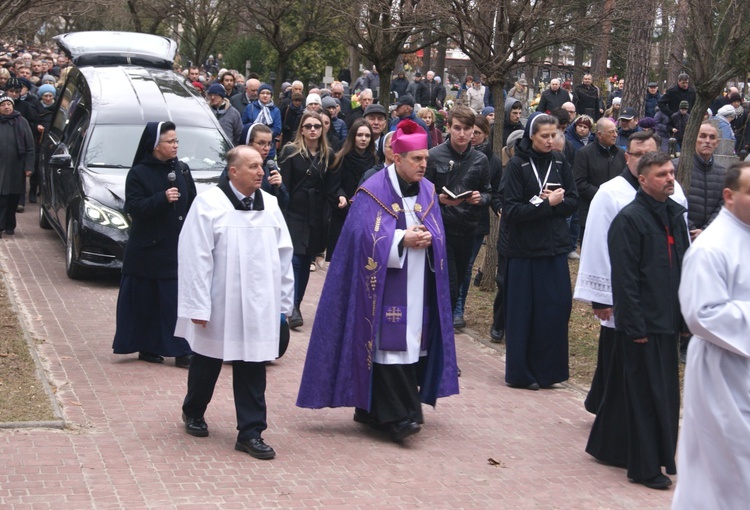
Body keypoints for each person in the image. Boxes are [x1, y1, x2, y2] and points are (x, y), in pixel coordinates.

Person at [296, 119, 459, 442]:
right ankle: (399, 416)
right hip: (382, 289)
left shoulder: (428, 190)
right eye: (417, 159)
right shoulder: (373, 189)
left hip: (418, 284)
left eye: (426, 158)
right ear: (396, 158)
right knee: (389, 347)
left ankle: (370, 409)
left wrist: (430, 239)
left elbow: (438, 231)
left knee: (412, 345)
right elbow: (359, 239)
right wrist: (400, 240)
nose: (424, 165)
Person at [177, 145, 294, 460]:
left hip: (259, 305)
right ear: (233, 172)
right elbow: (194, 257)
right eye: (253, 166)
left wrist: (284, 304)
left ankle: (251, 432)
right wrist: (197, 306)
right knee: (207, 360)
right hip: (220, 302)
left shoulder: (269, 205)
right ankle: (194, 410)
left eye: (261, 166)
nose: (261, 172)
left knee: (253, 365)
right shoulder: (208, 205)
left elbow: (284, 256)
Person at [588, 151, 689, 490]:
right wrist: (635, 326)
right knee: (646, 397)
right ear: (643, 180)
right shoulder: (629, 219)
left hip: (669, 321)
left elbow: (682, 270)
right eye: (661, 174)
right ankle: (644, 467)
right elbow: (626, 279)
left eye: (672, 172)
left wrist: (685, 316)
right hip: (643, 325)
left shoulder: (674, 215)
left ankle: (639, 452)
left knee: (665, 396)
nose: (670, 178)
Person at [574, 131, 686, 414]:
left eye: (650, 154)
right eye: (638, 155)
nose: (644, 160)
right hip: (624, 294)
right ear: (628, 157)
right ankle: (610, 410)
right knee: (616, 356)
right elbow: (596, 242)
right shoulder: (610, 192)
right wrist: (601, 297)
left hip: (660, 298)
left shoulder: (674, 189)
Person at [672, 161, 750, 509]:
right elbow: (701, 313)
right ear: (729, 196)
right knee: (722, 465)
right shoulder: (711, 247)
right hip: (722, 371)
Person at [501, 112, 578, 389]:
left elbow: (573, 201)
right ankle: (522, 373)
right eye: (544, 135)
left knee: (555, 310)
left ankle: (549, 372)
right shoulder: (518, 165)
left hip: (554, 248)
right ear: (531, 136)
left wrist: (558, 203)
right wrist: (545, 205)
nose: (550, 140)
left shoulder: (560, 161)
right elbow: (510, 210)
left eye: (554, 135)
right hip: (524, 251)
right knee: (525, 313)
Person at [112, 121, 196, 367]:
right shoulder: (138, 173)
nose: (175, 146)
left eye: (176, 141)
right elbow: (134, 208)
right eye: (170, 141)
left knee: (173, 301)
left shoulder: (182, 170)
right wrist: (162, 198)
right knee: (145, 302)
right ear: (154, 146)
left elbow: (192, 204)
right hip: (147, 250)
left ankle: (182, 350)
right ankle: (147, 346)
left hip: (175, 248)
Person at [425, 106, 492, 326]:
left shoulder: (480, 159)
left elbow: (489, 192)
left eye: (466, 129)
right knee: (449, 284)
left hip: (468, 228)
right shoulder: (434, 156)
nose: (461, 134)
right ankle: (439, 328)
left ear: (474, 130)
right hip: (441, 228)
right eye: (457, 128)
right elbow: (421, 193)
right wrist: (439, 199)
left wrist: (479, 198)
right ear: (449, 128)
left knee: (461, 279)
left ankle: (440, 327)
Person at [278, 111, 333, 329]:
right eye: (308, 126)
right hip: (294, 210)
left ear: (322, 130)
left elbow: (328, 186)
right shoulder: (290, 152)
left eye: (317, 126)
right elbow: (285, 185)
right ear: (301, 129)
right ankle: (292, 305)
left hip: (316, 213)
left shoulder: (327, 154)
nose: (312, 129)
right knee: (295, 260)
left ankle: (297, 303)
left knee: (307, 258)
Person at [453, 114, 503, 329]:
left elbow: (494, 192)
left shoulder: (491, 161)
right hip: (450, 218)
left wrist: (491, 203)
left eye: (477, 133)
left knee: (465, 267)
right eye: (469, 131)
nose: (471, 136)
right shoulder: (451, 154)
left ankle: (458, 308)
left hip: (475, 221)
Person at [327, 119, 377, 258]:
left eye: (367, 136)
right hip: (343, 214)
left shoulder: (374, 160)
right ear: (352, 136)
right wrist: (341, 196)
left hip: (366, 217)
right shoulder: (341, 158)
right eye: (359, 135)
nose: (363, 139)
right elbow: (333, 187)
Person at [573, 117, 626, 238]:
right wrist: (603, 195)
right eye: (611, 132)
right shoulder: (584, 153)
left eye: (616, 131)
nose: (615, 135)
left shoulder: (620, 154)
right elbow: (579, 182)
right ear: (599, 134)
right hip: (591, 210)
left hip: (616, 210)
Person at [0, 94, 34, 238]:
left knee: (13, 197)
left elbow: (30, 147)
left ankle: (9, 225)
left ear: (13, 106)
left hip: (16, 166)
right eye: (3, 105)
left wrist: (29, 166)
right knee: (1, 198)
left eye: (9, 104)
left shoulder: (22, 122)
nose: (6, 107)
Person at [238, 124, 289, 209]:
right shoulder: (236, 168)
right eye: (261, 143)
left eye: (269, 144)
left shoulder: (270, 167)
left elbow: (284, 204)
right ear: (248, 143)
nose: (266, 148)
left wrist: (280, 187)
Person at [242, 84, 282, 159]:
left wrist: (264, 135)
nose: (265, 95)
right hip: (252, 144)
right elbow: (243, 124)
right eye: (262, 93)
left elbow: (277, 128)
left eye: (268, 93)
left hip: (269, 148)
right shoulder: (250, 107)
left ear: (271, 96)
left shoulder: (275, 110)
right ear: (258, 95)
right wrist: (254, 133)